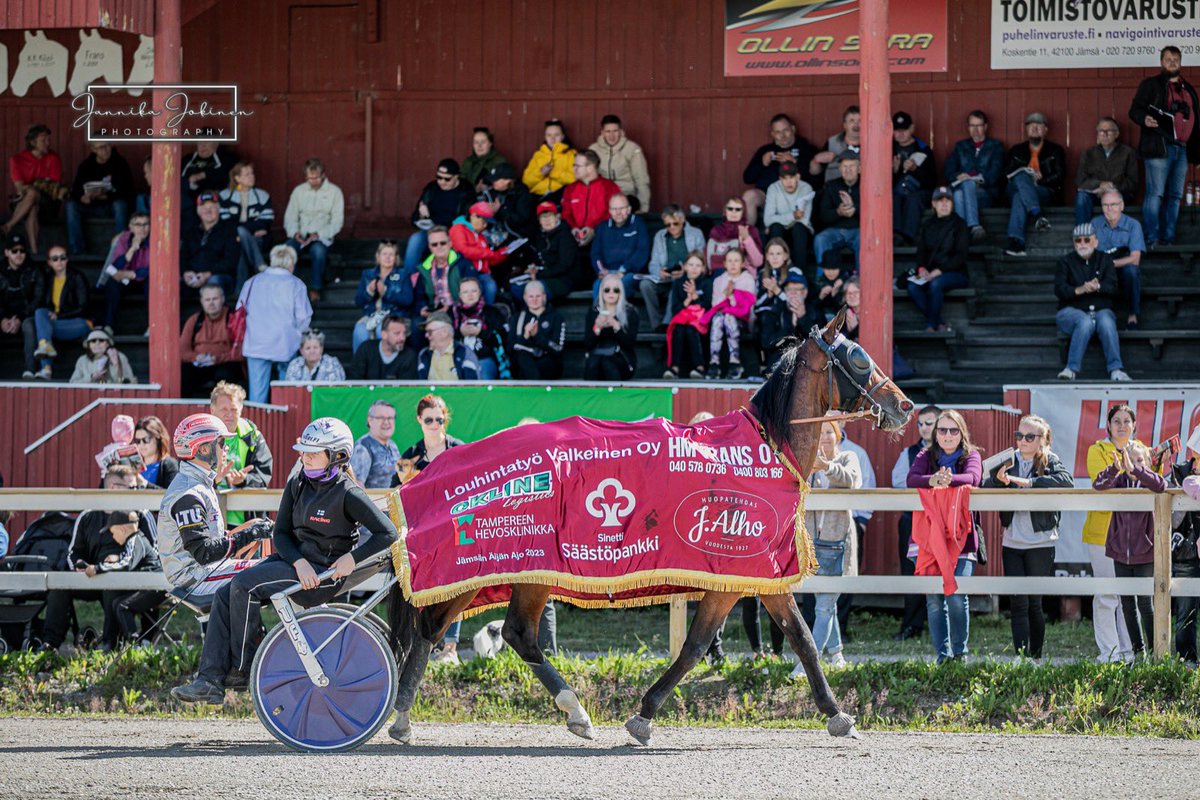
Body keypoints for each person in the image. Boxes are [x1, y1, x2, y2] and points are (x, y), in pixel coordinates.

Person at [172, 417, 399, 702]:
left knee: (243, 585)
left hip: (321, 577)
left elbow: (387, 533)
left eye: (313, 453)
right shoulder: (297, 483)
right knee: (225, 591)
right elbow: (280, 534)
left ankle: (243, 668)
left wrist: (352, 559)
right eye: (303, 451)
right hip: (297, 565)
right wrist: (298, 562)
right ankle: (209, 680)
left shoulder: (348, 492)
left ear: (337, 456)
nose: (304, 457)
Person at [156, 413, 271, 604]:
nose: (225, 449)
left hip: (202, 570)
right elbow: (204, 553)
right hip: (193, 578)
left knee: (270, 567)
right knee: (268, 571)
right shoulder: (188, 494)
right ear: (202, 449)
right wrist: (250, 535)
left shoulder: (197, 483)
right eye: (221, 444)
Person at [39, 465, 156, 653]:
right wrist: (79, 565)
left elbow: (153, 551)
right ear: (113, 488)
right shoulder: (89, 515)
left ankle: (110, 644)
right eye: (132, 488)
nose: (137, 493)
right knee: (60, 585)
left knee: (111, 582)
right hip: (91, 574)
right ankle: (50, 644)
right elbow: (73, 552)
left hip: (127, 578)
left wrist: (112, 565)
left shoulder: (140, 513)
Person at [983, 415, 1073, 660]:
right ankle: (1021, 660)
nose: (1022, 440)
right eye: (1019, 435)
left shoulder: (1050, 460)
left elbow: (1067, 483)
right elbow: (983, 486)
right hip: (1011, 541)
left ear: (1043, 440)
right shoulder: (1008, 460)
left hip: (1041, 543)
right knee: (1017, 603)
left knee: (1035, 603)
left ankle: (1036, 658)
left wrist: (1030, 482)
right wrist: (998, 481)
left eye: (1029, 436)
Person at [906, 409, 983, 663]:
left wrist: (943, 481)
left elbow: (973, 477)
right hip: (930, 539)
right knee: (935, 600)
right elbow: (912, 479)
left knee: (957, 597)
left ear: (962, 433)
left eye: (953, 430)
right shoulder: (925, 455)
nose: (948, 435)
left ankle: (959, 653)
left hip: (962, 538)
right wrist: (933, 479)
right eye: (943, 430)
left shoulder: (972, 455)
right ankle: (942, 654)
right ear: (936, 433)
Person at [393, 396, 465, 660]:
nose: (435, 424)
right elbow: (397, 493)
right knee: (426, 585)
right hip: (422, 531)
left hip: (455, 527)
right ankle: (425, 643)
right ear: (419, 421)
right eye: (429, 419)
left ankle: (450, 647)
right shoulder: (409, 456)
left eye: (439, 419)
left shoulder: (459, 450)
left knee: (456, 584)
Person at [797, 420, 861, 674]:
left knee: (824, 604)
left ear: (837, 435)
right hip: (812, 542)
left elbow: (851, 481)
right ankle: (836, 653)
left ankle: (808, 664)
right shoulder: (808, 460)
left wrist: (827, 467)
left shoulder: (848, 457)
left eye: (828, 432)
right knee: (823, 602)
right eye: (819, 432)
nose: (823, 437)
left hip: (838, 540)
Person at [1094, 442, 1166, 659]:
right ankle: (1138, 651)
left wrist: (1138, 471)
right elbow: (1098, 484)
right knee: (1126, 603)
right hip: (1119, 550)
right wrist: (1115, 468)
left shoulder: (1148, 482)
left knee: (1145, 602)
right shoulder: (1120, 480)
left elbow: (1161, 485)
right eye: (1130, 460)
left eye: (1139, 460)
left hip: (1144, 551)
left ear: (1147, 462)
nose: (1133, 464)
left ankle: (1156, 652)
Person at [1082, 404, 1141, 663]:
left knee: (1131, 595)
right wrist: (1126, 468)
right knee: (1106, 594)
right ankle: (1109, 652)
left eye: (1126, 421)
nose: (1121, 425)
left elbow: (1152, 480)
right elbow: (1102, 483)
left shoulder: (1143, 450)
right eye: (1116, 420)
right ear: (1108, 425)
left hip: (1135, 534)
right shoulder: (1097, 450)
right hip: (1102, 534)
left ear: (1134, 425)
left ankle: (1130, 653)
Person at [1129, 45, 1200, 248]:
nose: (1172, 62)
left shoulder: (1189, 89)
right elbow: (1134, 110)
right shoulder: (1151, 84)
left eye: (1176, 59)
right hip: (1159, 147)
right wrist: (1145, 119)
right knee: (1156, 193)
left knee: (1175, 195)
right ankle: (1152, 238)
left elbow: (1196, 123)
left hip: (1182, 148)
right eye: (1168, 59)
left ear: (1180, 62)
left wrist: (1197, 155)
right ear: (1161, 62)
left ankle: (1168, 239)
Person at [1053, 223, 1130, 382]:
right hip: (1070, 311)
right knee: (1085, 321)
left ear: (1095, 241)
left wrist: (1098, 287)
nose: (1082, 244)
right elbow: (1059, 290)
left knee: (1107, 322)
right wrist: (1080, 290)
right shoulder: (1065, 261)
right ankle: (1070, 369)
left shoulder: (1105, 259)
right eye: (1078, 240)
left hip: (1101, 310)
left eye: (1086, 240)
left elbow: (1113, 287)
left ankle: (1116, 370)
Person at [236, 244, 313, 403]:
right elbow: (303, 318)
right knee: (286, 392)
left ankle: (256, 425)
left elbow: (239, 309)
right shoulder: (296, 284)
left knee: (257, 396)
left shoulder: (252, 282)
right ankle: (285, 424)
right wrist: (297, 335)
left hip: (256, 342)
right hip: (285, 343)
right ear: (291, 264)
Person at [891, 404, 941, 641]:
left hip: (941, 522)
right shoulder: (909, 453)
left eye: (928, 423)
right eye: (920, 424)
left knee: (940, 572)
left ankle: (939, 626)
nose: (923, 428)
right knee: (911, 572)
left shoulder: (949, 451)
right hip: (912, 520)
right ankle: (911, 625)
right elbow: (900, 481)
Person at [209, 381, 275, 528]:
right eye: (223, 409)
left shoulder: (254, 437)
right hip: (212, 522)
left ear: (241, 409)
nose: (229, 414)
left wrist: (244, 480)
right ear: (212, 410)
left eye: (234, 409)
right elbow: (192, 476)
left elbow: (264, 475)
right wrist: (216, 478)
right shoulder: (202, 439)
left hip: (248, 523)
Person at [22, 244, 91, 381]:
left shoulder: (77, 277)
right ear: (49, 262)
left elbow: (84, 307)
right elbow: (41, 304)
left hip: (79, 323)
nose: (59, 261)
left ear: (67, 260)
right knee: (40, 312)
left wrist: (59, 316)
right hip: (55, 323)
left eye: (62, 257)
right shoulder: (47, 278)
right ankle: (45, 348)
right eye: (55, 258)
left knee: (44, 328)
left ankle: (46, 366)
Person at [1003, 112, 1066, 257]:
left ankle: (1017, 244)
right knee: (1021, 175)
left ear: (1046, 130)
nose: (1035, 128)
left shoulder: (1055, 150)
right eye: (1031, 126)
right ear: (1026, 130)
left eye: (1039, 126)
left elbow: (1060, 175)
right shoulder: (1016, 150)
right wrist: (1025, 176)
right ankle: (1037, 216)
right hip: (1015, 188)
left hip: (1043, 190)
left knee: (1020, 196)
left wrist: (1040, 180)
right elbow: (1005, 174)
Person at [908, 187, 970, 332]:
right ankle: (939, 322)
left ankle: (931, 325)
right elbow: (921, 252)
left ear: (952, 204)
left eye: (947, 200)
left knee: (935, 284)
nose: (944, 204)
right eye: (940, 200)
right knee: (912, 287)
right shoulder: (928, 225)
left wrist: (939, 271)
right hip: (929, 272)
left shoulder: (960, 224)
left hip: (956, 273)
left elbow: (961, 255)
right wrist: (921, 268)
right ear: (933, 204)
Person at [282, 158, 344, 301]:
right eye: (310, 178)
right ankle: (289, 288)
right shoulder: (299, 191)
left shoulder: (335, 192)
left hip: (321, 237)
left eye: (316, 177)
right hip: (301, 235)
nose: (313, 181)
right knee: (287, 250)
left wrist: (320, 234)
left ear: (323, 175)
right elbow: (290, 217)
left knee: (318, 251)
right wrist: (294, 232)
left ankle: (315, 289)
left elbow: (337, 222)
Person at [741, 113, 818, 227]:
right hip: (769, 198)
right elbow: (747, 178)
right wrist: (762, 163)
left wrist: (795, 162)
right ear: (772, 134)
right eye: (777, 132)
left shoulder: (806, 148)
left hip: (795, 197)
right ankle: (746, 238)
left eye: (785, 130)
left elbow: (816, 179)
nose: (782, 135)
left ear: (793, 129)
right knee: (749, 195)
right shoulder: (765, 150)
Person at [4, 124, 66, 254]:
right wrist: (36, 186)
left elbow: (53, 187)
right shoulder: (17, 159)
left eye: (49, 139)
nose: (48, 143)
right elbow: (20, 187)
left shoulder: (53, 158)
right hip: (24, 202)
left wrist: (32, 187)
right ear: (33, 142)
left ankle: (9, 225)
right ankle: (35, 251)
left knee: (32, 193)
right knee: (32, 206)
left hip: (48, 203)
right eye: (44, 140)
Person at [944, 110, 1004, 241]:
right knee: (959, 193)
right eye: (972, 126)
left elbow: (996, 172)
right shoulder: (960, 146)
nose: (975, 130)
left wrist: (980, 182)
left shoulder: (995, 146)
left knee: (965, 186)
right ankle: (973, 227)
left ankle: (963, 229)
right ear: (968, 127)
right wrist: (957, 175)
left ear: (985, 127)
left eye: (979, 126)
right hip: (963, 191)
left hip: (985, 193)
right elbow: (948, 170)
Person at [404, 158, 473, 274]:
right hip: (431, 231)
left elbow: (466, 219)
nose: (442, 182)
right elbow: (414, 218)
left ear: (457, 177)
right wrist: (421, 215)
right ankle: (408, 282)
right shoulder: (431, 188)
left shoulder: (466, 191)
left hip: (454, 232)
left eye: (447, 179)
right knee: (415, 240)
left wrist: (438, 223)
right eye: (439, 177)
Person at [65, 142, 133, 255]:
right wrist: (82, 198)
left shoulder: (120, 164)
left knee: (120, 205)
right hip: (90, 207)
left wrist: (104, 195)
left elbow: (127, 192)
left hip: (110, 207)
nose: (105, 150)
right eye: (101, 147)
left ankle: (120, 248)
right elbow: (75, 191)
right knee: (71, 206)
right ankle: (78, 250)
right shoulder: (86, 166)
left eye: (108, 146)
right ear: (93, 149)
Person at [1091, 190, 1146, 330]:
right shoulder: (1095, 224)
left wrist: (1110, 264)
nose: (1109, 209)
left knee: (1132, 272)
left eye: (1113, 205)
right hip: (1101, 271)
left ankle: (1133, 314)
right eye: (1105, 205)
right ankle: (1095, 315)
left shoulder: (1133, 225)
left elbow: (1135, 259)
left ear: (1122, 205)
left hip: (1121, 271)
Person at [644, 205, 705, 329]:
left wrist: (685, 271)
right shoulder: (659, 236)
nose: (672, 227)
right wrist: (659, 271)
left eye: (675, 223)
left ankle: (667, 323)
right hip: (664, 278)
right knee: (645, 285)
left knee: (678, 282)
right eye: (668, 225)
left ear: (682, 220)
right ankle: (655, 325)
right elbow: (653, 263)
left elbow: (701, 260)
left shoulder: (695, 234)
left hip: (685, 279)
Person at [353, 240, 419, 353]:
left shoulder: (402, 275)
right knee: (360, 331)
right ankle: (362, 368)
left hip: (395, 317)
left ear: (396, 258)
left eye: (391, 254)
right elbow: (358, 301)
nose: (387, 257)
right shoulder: (368, 274)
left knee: (382, 331)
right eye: (384, 254)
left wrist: (386, 293)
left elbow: (408, 300)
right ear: (378, 257)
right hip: (372, 316)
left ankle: (384, 367)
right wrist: (369, 291)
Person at [181, 285, 244, 398]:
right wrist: (196, 357)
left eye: (215, 299)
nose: (211, 303)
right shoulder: (195, 320)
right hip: (200, 363)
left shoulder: (233, 318)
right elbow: (182, 350)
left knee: (226, 375)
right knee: (183, 374)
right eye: (207, 300)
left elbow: (240, 352)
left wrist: (217, 358)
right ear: (202, 301)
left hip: (226, 363)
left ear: (223, 299)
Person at [218, 161, 274, 287]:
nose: (251, 176)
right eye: (247, 174)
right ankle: (259, 264)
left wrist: (242, 232)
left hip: (256, 238)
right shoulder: (225, 196)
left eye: (252, 173)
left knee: (242, 240)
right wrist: (240, 231)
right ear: (237, 178)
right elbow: (224, 222)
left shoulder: (262, 195)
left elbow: (266, 220)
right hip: (232, 238)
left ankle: (240, 292)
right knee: (241, 240)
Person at [1074, 118, 1138, 225]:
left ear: (1116, 134)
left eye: (1109, 131)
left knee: (1114, 198)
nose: (1104, 134)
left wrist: (1111, 187)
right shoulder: (1089, 153)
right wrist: (1100, 185)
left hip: (1119, 193)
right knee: (1081, 197)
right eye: (1101, 131)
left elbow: (1132, 182)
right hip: (1095, 193)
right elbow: (1080, 180)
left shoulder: (1128, 152)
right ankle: (1082, 235)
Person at [1170, 430, 1200, 664]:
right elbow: (1172, 520)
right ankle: (1187, 661)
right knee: (1185, 613)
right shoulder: (1179, 472)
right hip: (1185, 552)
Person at [706, 247, 755, 379]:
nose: (733, 264)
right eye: (730, 261)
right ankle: (714, 363)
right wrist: (727, 296)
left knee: (728, 318)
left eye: (736, 260)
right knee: (719, 319)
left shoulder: (748, 280)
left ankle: (735, 361)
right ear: (725, 264)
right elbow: (715, 305)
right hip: (722, 319)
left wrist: (732, 296)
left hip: (743, 320)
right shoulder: (719, 281)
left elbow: (746, 307)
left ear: (743, 263)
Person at [662, 251, 713, 380]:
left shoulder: (707, 283)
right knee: (679, 329)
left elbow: (708, 307)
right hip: (682, 320)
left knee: (691, 330)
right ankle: (674, 368)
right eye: (691, 264)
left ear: (703, 268)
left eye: (698, 265)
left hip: (700, 323)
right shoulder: (678, 283)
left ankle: (699, 367)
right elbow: (675, 309)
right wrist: (688, 300)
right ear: (684, 267)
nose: (694, 268)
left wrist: (696, 297)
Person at [591, 192, 649, 301]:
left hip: (631, 273)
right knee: (599, 285)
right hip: (608, 272)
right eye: (614, 209)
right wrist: (601, 270)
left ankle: (615, 316)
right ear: (609, 211)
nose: (618, 212)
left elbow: (642, 252)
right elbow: (595, 253)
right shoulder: (602, 227)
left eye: (621, 208)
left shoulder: (638, 224)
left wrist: (623, 270)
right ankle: (600, 316)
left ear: (629, 209)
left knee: (620, 285)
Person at [891, 111, 938, 246]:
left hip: (919, 192)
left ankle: (907, 237)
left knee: (913, 199)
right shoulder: (888, 149)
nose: (900, 134)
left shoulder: (924, 149)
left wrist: (915, 170)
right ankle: (895, 235)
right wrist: (894, 171)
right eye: (897, 130)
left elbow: (931, 181)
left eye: (904, 129)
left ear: (912, 128)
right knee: (893, 197)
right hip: (897, 191)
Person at [515, 202, 577, 304]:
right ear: (539, 220)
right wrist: (533, 267)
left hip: (564, 279)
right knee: (516, 287)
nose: (547, 220)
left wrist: (539, 275)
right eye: (543, 217)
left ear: (557, 217)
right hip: (546, 275)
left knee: (531, 291)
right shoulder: (540, 235)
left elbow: (564, 265)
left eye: (550, 216)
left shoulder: (565, 236)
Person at [180, 192, 239, 298]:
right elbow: (183, 256)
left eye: (212, 207)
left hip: (219, 277)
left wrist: (207, 274)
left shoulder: (229, 230)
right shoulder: (191, 231)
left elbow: (230, 262)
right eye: (203, 207)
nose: (208, 211)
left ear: (219, 209)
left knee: (213, 283)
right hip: (194, 277)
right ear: (198, 211)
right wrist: (185, 273)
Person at [561, 150, 621, 253]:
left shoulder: (609, 187)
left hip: (603, 240)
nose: (574, 169)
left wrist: (593, 229)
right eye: (574, 165)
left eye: (577, 166)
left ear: (590, 167)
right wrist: (574, 228)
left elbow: (614, 213)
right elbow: (566, 213)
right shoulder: (570, 189)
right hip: (574, 240)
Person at [99, 212, 151, 331]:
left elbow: (153, 269)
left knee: (152, 281)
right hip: (127, 280)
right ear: (130, 227)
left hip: (144, 280)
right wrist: (132, 249)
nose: (142, 228)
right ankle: (108, 326)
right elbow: (117, 266)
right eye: (138, 224)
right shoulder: (123, 238)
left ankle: (152, 326)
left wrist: (132, 274)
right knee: (112, 283)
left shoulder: (154, 240)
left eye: (146, 224)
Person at [583, 272, 639, 381]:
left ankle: (615, 397)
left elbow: (629, 344)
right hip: (597, 357)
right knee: (593, 363)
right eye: (607, 290)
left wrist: (616, 326)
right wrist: (597, 328)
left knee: (607, 363)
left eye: (616, 290)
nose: (611, 293)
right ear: (602, 292)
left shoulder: (630, 312)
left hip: (623, 359)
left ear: (620, 293)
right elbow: (587, 344)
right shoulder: (593, 312)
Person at [759, 272, 818, 373]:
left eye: (797, 290)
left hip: (808, 363)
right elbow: (767, 344)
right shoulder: (774, 312)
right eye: (790, 290)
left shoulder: (815, 312)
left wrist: (803, 319)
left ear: (805, 292)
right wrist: (790, 328)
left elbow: (820, 343)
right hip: (780, 363)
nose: (793, 293)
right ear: (785, 293)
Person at [589, 114, 651, 212]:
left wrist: (643, 209)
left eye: (615, 131)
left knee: (624, 206)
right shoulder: (594, 149)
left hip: (625, 195)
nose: (611, 135)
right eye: (608, 131)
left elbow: (641, 180)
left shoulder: (632, 149)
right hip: (602, 195)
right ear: (602, 133)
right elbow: (587, 177)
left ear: (621, 132)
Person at [451, 276, 509, 380]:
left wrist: (482, 332)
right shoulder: (451, 314)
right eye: (465, 292)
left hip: (484, 359)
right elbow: (441, 340)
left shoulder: (492, 312)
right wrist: (459, 332)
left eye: (474, 290)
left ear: (480, 292)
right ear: (459, 295)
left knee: (483, 376)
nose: (470, 295)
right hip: (456, 359)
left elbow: (503, 339)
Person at [763, 161, 816, 273]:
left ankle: (800, 273)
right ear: (780, 179)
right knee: (776, 227)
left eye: (791, 177)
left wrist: (780, 218)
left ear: (798, 176)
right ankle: (775, 272)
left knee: (798, 228)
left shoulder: (806, 188)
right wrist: (792, 215)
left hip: (800, 232)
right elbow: (767, 219)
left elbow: (804, 220)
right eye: (784, 178)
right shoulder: (773, 188)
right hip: (780, 232)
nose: (788, 182)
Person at [507, 280, 565, 380]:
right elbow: (510, 348)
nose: (534, 300)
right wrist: (525, 336)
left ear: (544, 296)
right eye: (531, 296)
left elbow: (558, 349)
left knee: (546, 362)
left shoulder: (556, 317)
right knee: (522, 357)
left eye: (538, 296)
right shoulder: (517, 317)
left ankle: (534, 389)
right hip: (523, 362)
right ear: (525, 297)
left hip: (548, 362)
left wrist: (537, 335)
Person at [813, 153, 862, 271]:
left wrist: (854, 209)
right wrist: (839, 212)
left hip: (859, 230)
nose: (848, 170)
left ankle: (862, 281)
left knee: (865, 240)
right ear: (839, 169)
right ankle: (822, 280)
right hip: (836, 231)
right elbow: (823, 215)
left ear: (859, 168)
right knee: (821, 239)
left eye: (852, 166)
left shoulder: (867, 185)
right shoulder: (832, 186)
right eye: (845, 166)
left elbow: (874, 213)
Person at [448, 202, 504, 304]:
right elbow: (462, 250)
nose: (485, 225)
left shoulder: (480, 235)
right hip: (465, 273)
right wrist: (489, 253)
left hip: (482, 273)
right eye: (484, 221)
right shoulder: (458, 228)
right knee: (486, 287)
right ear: (473, 216)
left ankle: (486, 313)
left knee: (491, 286)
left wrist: (504, 252)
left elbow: (490, 260)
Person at [416, 225, 474, 317]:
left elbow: (473, 294)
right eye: (434, 244)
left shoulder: (464, 265)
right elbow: (419, 297)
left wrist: (450, 309)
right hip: (433, 314)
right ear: (430, 248)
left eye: (443, 243)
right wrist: (422, 308)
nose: (439, 247)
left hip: (458, 313)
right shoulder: (425, 268)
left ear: (450, 243)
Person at [479, 161, 536, 243]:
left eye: (496, 180)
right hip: (495, 233)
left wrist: (500, 210)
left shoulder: (522, 194)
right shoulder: (493, 192)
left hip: (517, 237)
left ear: (507, 180)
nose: (493, 182)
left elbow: (521, 219)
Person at [348, 314, 418, 380]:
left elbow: (406, 391)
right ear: (384, 335)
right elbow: (354, 383)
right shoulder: (365, 350)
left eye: (404, 333)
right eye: (397, 333)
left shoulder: (409, 356)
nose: (402, 338)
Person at [705, 197, 763, 276]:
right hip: (720, 276)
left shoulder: (751, 230)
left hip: (744, 276)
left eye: (738, 209)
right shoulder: (716, 231)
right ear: (725, 211)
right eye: (730, 208)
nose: (733, 212)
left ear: (743, 212)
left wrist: (747, 239)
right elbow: (709, 259)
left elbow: (757, 262)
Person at [417, 311, 481, 381]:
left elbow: (472, 387)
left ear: (444, 332)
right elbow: (421, 387)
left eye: (430, 332)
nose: (426, 335)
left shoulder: (465, 352)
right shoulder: (424, 354)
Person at [350, 401, 401, 489]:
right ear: (370, 420)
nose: (386, 422)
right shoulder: (363, 447)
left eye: (390, 418)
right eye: (381, 418)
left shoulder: (392, 445)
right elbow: (356, 487)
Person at [522, 119, 577, 200]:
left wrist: (553, 172)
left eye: (557, 135)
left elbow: (575, 179)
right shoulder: (538, 155)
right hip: (538, 195)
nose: (552, 138)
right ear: (545, 137)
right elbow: (526, 181)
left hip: (560, 195)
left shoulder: (571, 154)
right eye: (549, 135)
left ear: (563, 136)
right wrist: (541, 173)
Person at [2, 233, 33, 366]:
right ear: (6, 253)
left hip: (25, 316)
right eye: (14, 251)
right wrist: (2, 319)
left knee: (29, 326)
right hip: (3, 317)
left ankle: (30, 370)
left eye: (22, 251)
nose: (18, 254)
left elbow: (37, 301)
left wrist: (19, 318)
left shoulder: (34, 270)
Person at [809, 105, 861, 184]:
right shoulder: (832, 142)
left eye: (860, 121)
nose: (856, 125)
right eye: (852, 121)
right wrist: (816, 161)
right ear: (845, 125)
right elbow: (814, 173)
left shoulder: (873, 144)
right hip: (834, 192)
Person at [69, 328, 135, 384]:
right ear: (89, 345)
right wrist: (91, 377)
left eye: (101, 340)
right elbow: (72, 382)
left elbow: (130, 382)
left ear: (107, 344)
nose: (97, 343)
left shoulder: (120, 357)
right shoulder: (82, 360)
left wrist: (116, 365)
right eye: (93, 341)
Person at [133, 415, 179, 490]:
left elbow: (173, 495)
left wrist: (145, 484)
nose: (141, 445)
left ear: (158, 438)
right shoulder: (134, 467)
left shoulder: (170, 465)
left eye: (146, 439)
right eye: (138, 441)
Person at [461, 127, 510, 191]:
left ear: (490, 144)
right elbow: (460, 181)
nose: (479, 146)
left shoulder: (499, 161)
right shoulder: (468, 161)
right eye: (476, 142)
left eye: (483, 142)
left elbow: (505, 184)